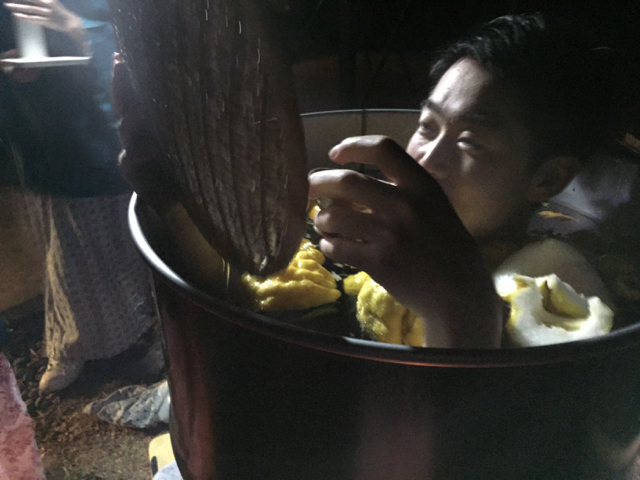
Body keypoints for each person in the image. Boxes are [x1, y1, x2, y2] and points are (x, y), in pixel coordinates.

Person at [114, 12, 622, 350]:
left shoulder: (561, 296)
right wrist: (173, 197)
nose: (428, 161)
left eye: (471, 143)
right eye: (427, 127)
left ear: (548, 177)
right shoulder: (350, 239)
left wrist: (463, 311)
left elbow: (484, 443)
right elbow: (240, 301)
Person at [0, 0, 158, 392]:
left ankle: (137, 337)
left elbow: (130, 36)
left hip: (99, 135)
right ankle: (73, 343)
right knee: (64, 251)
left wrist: (77, 31)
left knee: (114, 245)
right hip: (41, 140)